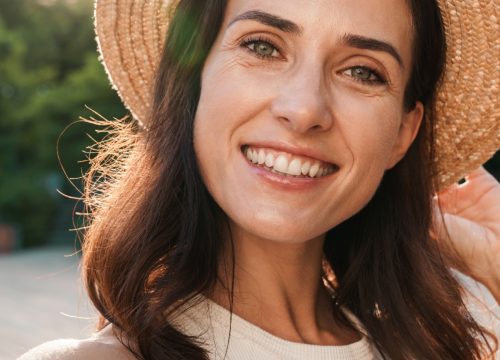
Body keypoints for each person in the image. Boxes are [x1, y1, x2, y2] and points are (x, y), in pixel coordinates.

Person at [19, 0, 499, 359]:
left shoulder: (427, 350)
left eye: (362, 72)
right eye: (262, 46)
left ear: (402, 132)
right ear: (194, 82)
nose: (305, 108)